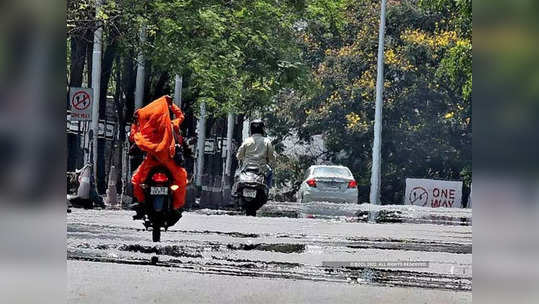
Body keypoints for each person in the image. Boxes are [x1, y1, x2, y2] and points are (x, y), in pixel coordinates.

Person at [129, 95, 188, 222]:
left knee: (137, 180)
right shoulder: (172, 125)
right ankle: (175, 207)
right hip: (167, 162)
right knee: (181, 181)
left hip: (153, 162)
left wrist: (135, 123)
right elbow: (181, 116)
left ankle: (141, 203)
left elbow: (134, 136)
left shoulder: (149, 129)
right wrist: (172, 105)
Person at [236, 119, 276, 189]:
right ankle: (267, 189)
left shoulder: (247, 141)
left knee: (237, 177)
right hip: (262, 168)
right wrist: (273, 161)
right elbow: (271, 156)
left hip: (246, 168)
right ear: (262, 129)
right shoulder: (266, 141)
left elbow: (239, 156)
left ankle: (236, 191)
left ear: (251, 129)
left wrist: (243, 159)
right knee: (270, 172)